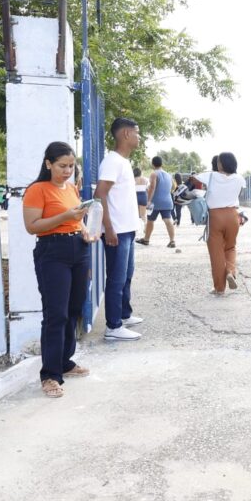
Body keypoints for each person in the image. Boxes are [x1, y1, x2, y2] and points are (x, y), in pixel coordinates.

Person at [23, 142, 97, 397]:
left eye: (71, 166)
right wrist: (65, 217)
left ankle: (65, 361)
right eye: (62, 166)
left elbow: (77, 219)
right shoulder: (37, 190)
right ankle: (50, 375)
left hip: (78, 249)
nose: (67, 171)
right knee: (56, 313)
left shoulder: (72, 188)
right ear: (48, 164)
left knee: (74, 308)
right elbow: (32, 226)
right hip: (52, 251)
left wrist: (84, 231)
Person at [95, 117, 144, 341]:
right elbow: (100, 194)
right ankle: (113, 327)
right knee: (116, 278)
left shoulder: (123, 161)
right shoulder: (112, 162)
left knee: (126, 275)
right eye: (137, 132)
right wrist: (108, 227)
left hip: (127, 230)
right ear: (126, 134)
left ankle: (124, 314)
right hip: (117, 231)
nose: (138, 137)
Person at [195, 152, 246, 296]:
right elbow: (239, 194)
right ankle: (230, 272)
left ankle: (219, 288)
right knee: (230, 247)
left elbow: (194, 178)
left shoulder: (211, 175)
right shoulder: (240, 179)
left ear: (220, 164)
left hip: (215, 217)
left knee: (216, 253)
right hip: (233, 215)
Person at [137, 156, 176, 248]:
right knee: (168, 220)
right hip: (167, 201)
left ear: (152, 164)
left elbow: (152, 187)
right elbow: (173, 187)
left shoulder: (154, 174)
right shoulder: (169, 175)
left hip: (156, 202)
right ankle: (172, 241)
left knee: (150, 220)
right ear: (162, 163)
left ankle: (146, 239)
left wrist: (148, 200)